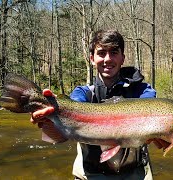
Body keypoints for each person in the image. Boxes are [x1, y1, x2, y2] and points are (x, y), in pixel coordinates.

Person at [31, 30, 159, 180]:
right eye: (101, 53)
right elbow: (74, 108)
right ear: (92, 58)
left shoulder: (143, 90)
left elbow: (151, 110)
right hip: (91, 175)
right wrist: (53, 112)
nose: (108, 59)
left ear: (122, 58)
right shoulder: (83, 93)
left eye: (114, 52)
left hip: (133, 174)